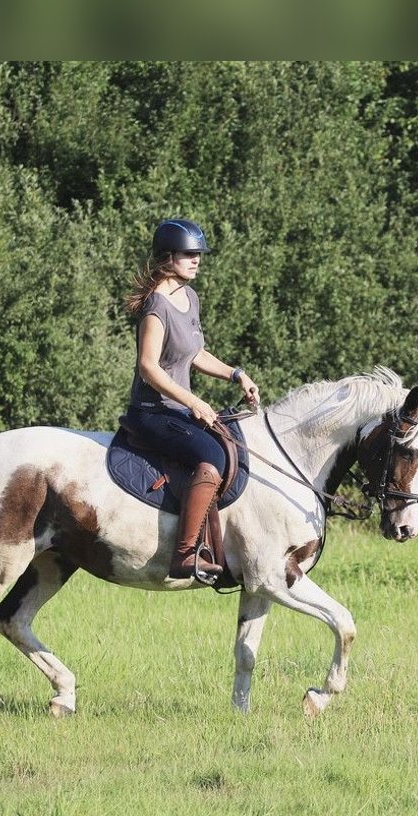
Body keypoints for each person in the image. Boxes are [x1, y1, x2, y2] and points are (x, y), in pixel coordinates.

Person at [122, 218, 260, 581]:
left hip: (177, 410)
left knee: (229, 444)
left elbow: (196, 353)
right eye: (188, 254)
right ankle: (185, 554)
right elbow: (148, 367)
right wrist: (194, 401)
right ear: (168, 257)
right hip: (151, 412)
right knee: (212, 456)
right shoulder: (156, 305)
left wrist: (236, 374)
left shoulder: (189, 297)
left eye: (198, 254)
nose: (197, 259)